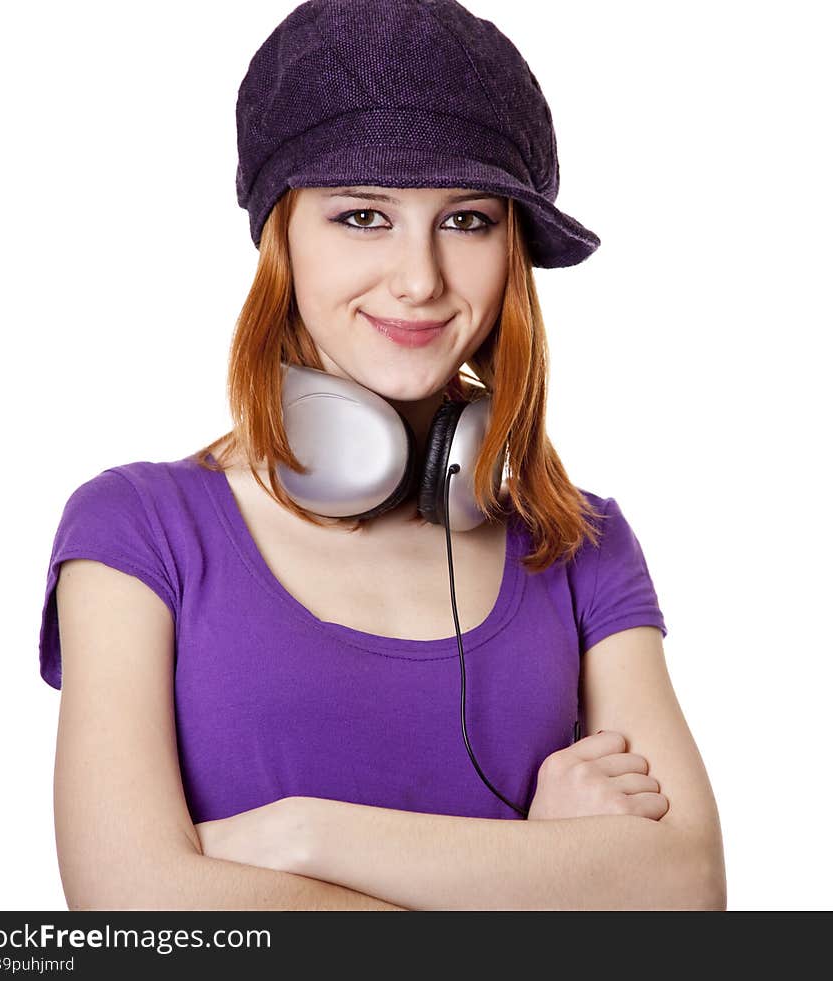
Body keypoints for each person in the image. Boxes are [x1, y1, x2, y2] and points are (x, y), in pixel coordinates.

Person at [38, 0, 725, 910]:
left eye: (468, 220)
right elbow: (134, 912)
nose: (419, 279)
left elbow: (687, 891)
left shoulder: (582, 546)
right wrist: (544, 871)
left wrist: (299, 833)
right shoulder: (137, 530)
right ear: (281, 236)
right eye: (363, 215)